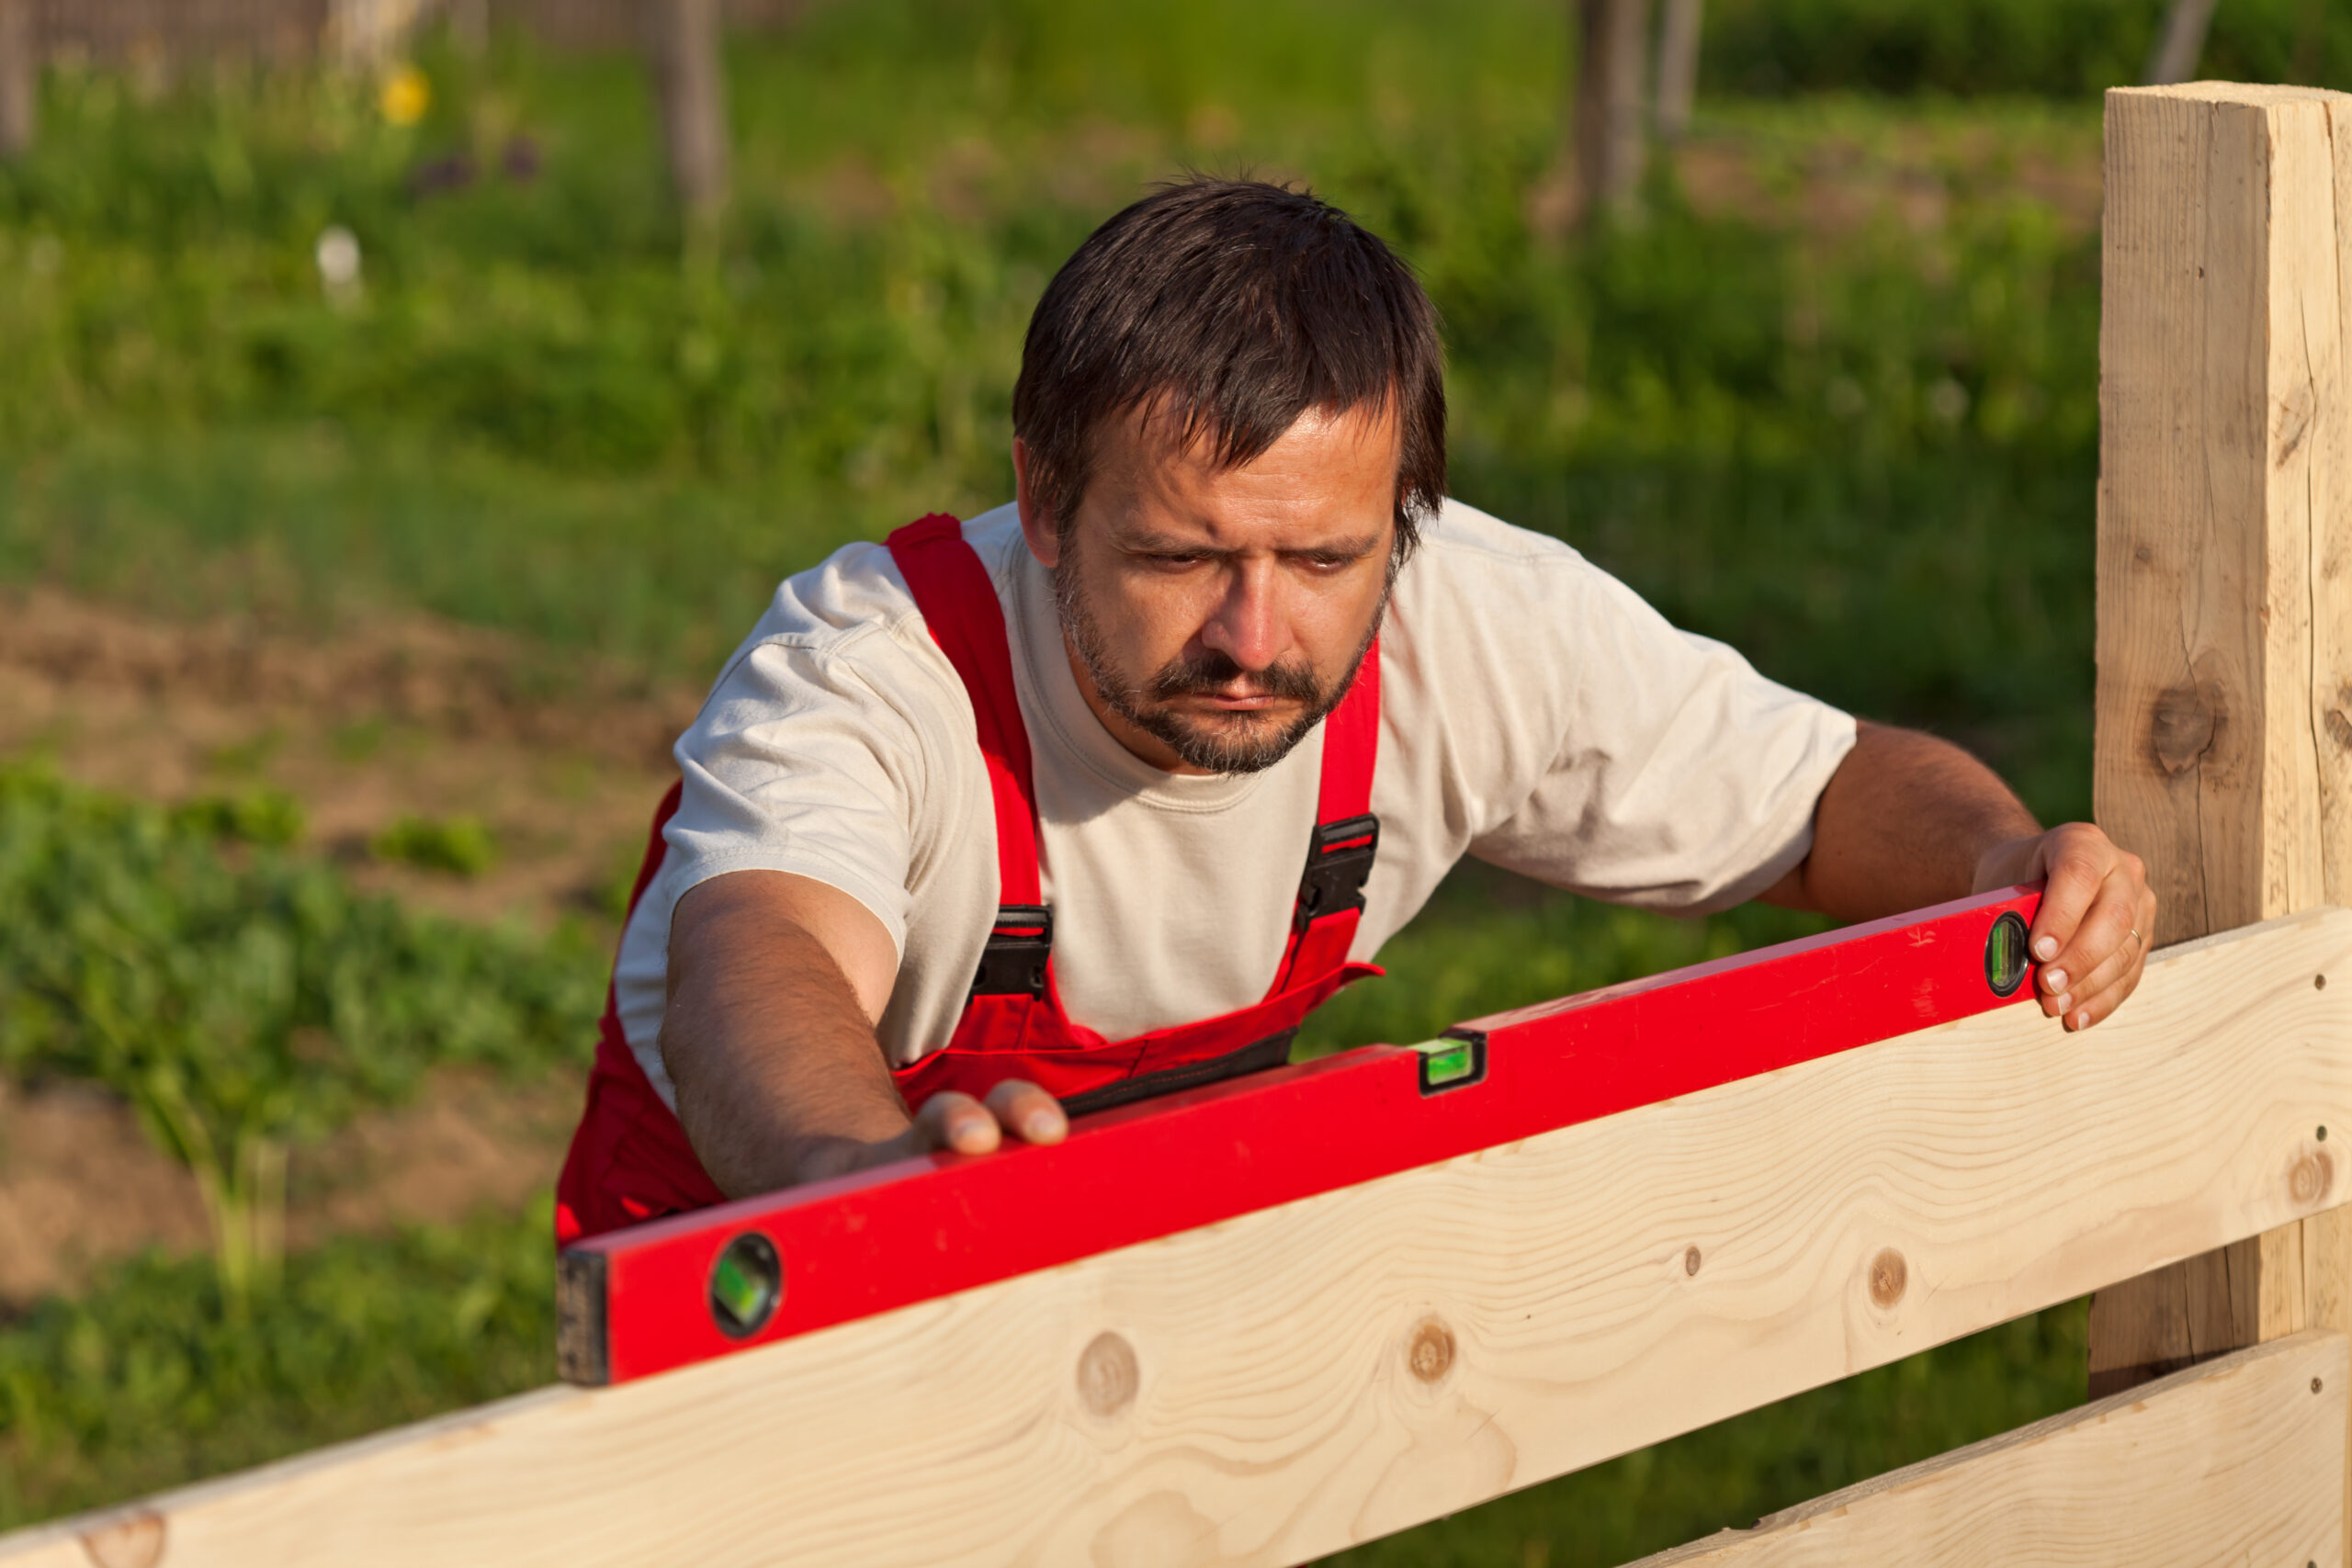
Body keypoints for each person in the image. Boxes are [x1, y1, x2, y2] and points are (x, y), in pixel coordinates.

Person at [554, 179, 2154, 1245]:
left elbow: (1826, 797)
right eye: (1184, 555)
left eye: (1325, 557)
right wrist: (863, 1183)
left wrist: (2012, 856)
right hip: (754, 1290)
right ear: (1041, 500)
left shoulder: (1470, 617)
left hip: (1151, 1295)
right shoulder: (873, 660)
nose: (1258, 635)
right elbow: (756, 957)